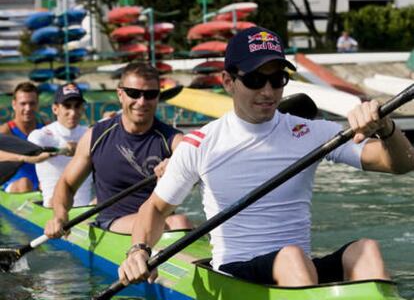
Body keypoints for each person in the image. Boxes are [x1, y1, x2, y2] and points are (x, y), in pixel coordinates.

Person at [118, 26, 414, 287]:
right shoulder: (200, 143)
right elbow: (156, 209)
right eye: (256, 80)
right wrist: (138, 251)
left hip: (299, 269)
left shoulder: (310, 133)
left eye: (277, 79)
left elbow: (400, 164)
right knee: (292, 258)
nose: (268, 91)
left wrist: (386, 128)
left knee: (366, 251)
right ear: (227, 81)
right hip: (236, 273)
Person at [44, 63, 192, 236]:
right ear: (120, 94)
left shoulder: (174, 140)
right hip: (114, 222)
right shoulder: (95, 136)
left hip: (160, 221)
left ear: (158, 97)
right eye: (134, 93)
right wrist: (60, 216)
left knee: (179, 221)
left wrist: (179, 167)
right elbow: (67, 184)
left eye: (150, 95)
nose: (142, 102)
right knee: (179, 221)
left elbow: (202, 172)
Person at [28, 83, 94, 208]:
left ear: (82, 108)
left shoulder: (90, 133)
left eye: (77, 106)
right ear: (55, 109)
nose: (73, 112)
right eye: (67, 106)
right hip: (53, 206)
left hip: (86, 208)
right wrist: (60, 151)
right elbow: (31, 157)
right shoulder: (41, 135)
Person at [0, 82, 48, 193]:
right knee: (25, 183)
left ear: (37, 105)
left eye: (32, 103)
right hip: (14, 186)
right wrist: (23, 158)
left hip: (41, 187)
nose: (28, 108)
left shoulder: (46, 130)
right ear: (14, 104)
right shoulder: (5, 131)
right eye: (23, 104)